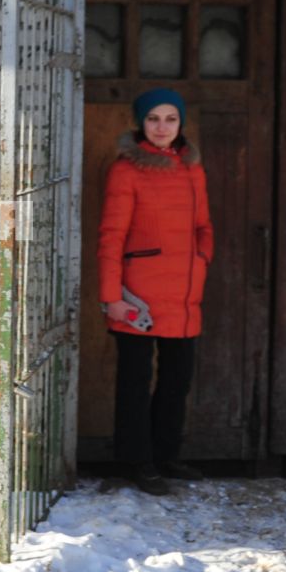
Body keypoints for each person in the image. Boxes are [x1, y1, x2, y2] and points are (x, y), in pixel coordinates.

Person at [97, 87, 213, 495]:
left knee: (177, 381)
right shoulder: (127, 170)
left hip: (184, 296)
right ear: (141, 123)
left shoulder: (192, 168)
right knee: (135, 381)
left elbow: (203, 226)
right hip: (138, 297)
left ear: (181, 124)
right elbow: (111, 236)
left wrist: (202, 258)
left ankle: (166, 456)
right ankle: (136, 461)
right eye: (153, 119)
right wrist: (111, 296)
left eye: (170, 119)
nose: (162, 127)